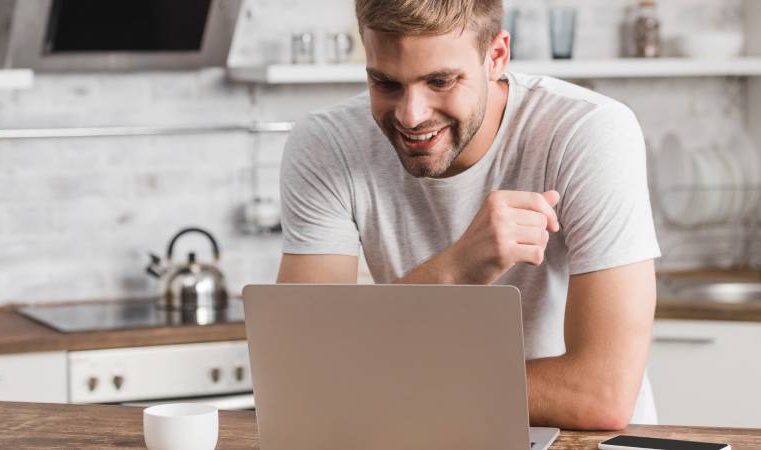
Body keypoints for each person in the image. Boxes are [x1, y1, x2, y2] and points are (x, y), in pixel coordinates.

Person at [276, 0, 660, 430]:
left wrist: (377, 379)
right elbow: (304, 371)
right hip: (426, 432)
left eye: (440, 81)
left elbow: (600, 394)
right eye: (385, 82)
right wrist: (457, 270)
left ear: (496, 56)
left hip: (574, 438)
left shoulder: (587, 131)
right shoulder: (327, 144)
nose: (411, 115)